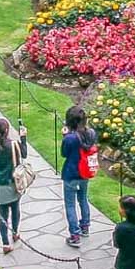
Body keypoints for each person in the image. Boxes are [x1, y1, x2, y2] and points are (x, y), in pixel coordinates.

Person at [0, 117, 28, 254]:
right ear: (7, 130)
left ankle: (5, 243)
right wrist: (23, 138)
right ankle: (15, 233)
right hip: (14, 184)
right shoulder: (13, 145)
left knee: (3, 215)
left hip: (0, 186)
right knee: (15, 210)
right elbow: (24, 154)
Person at [61, 106, 98, 247]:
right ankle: (85, 226)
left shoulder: (70, 138)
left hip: (71, 174)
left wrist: (65, 136)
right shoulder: (91, 134)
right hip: (85, 173)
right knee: (83, 199)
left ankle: (74, 235)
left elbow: (64, 153)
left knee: (70, 204)